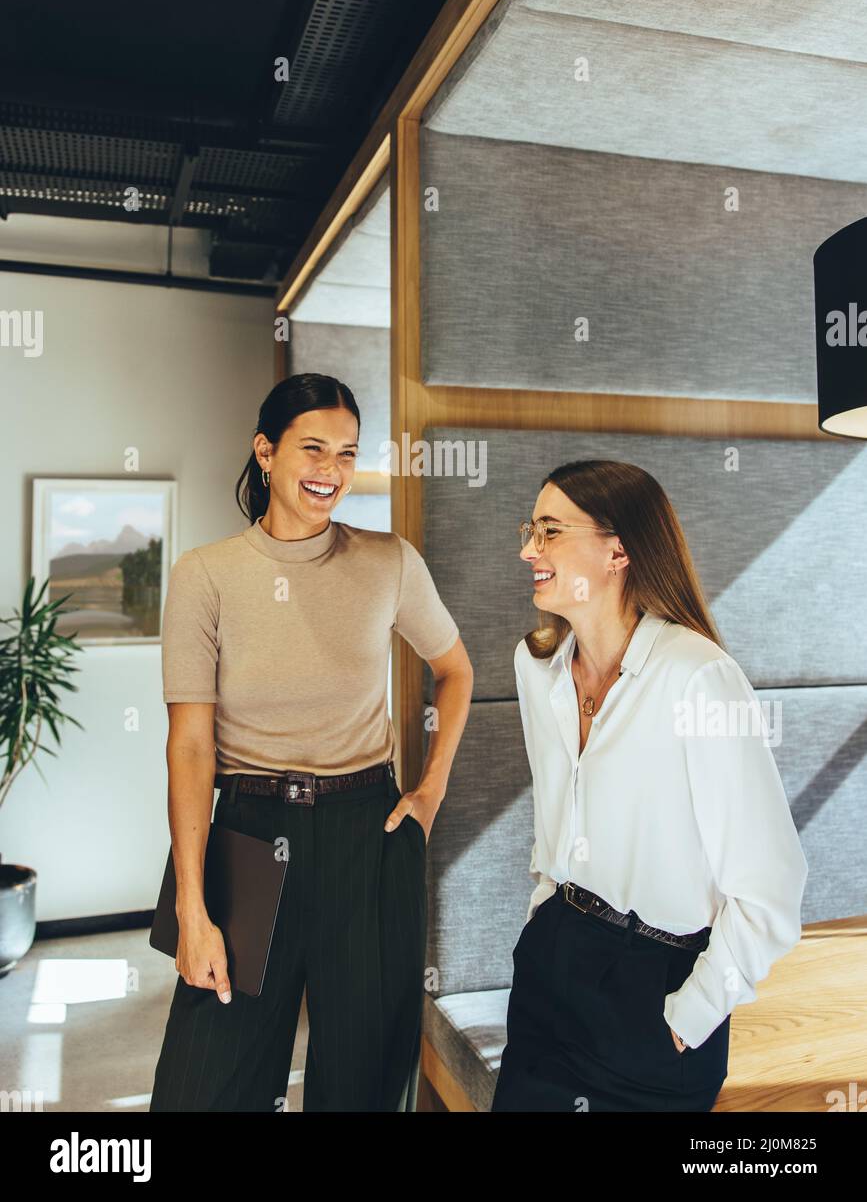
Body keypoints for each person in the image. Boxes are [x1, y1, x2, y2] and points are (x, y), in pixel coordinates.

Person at [149, 373, 473, 1112]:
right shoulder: (205, 575)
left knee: (362, 1084)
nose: (331, 470)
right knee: (203, 1091)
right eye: (312, 448)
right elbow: (191, 748)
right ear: (265, 452)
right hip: (247, 836)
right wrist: (195, 911)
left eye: (347, 453)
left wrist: (429, 794)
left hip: (369, 832)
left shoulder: (388, 561)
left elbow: (454, 670)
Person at [491, 459, 808, 1113]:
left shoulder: (698, 680)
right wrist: (542, 920)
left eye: (550, 531)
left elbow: (770, 891)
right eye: (531, 529)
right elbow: (555, 820)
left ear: (618, 550)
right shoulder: (536, 666)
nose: (528, 549)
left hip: (653, 988)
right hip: (552, 965)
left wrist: (687, 1018)